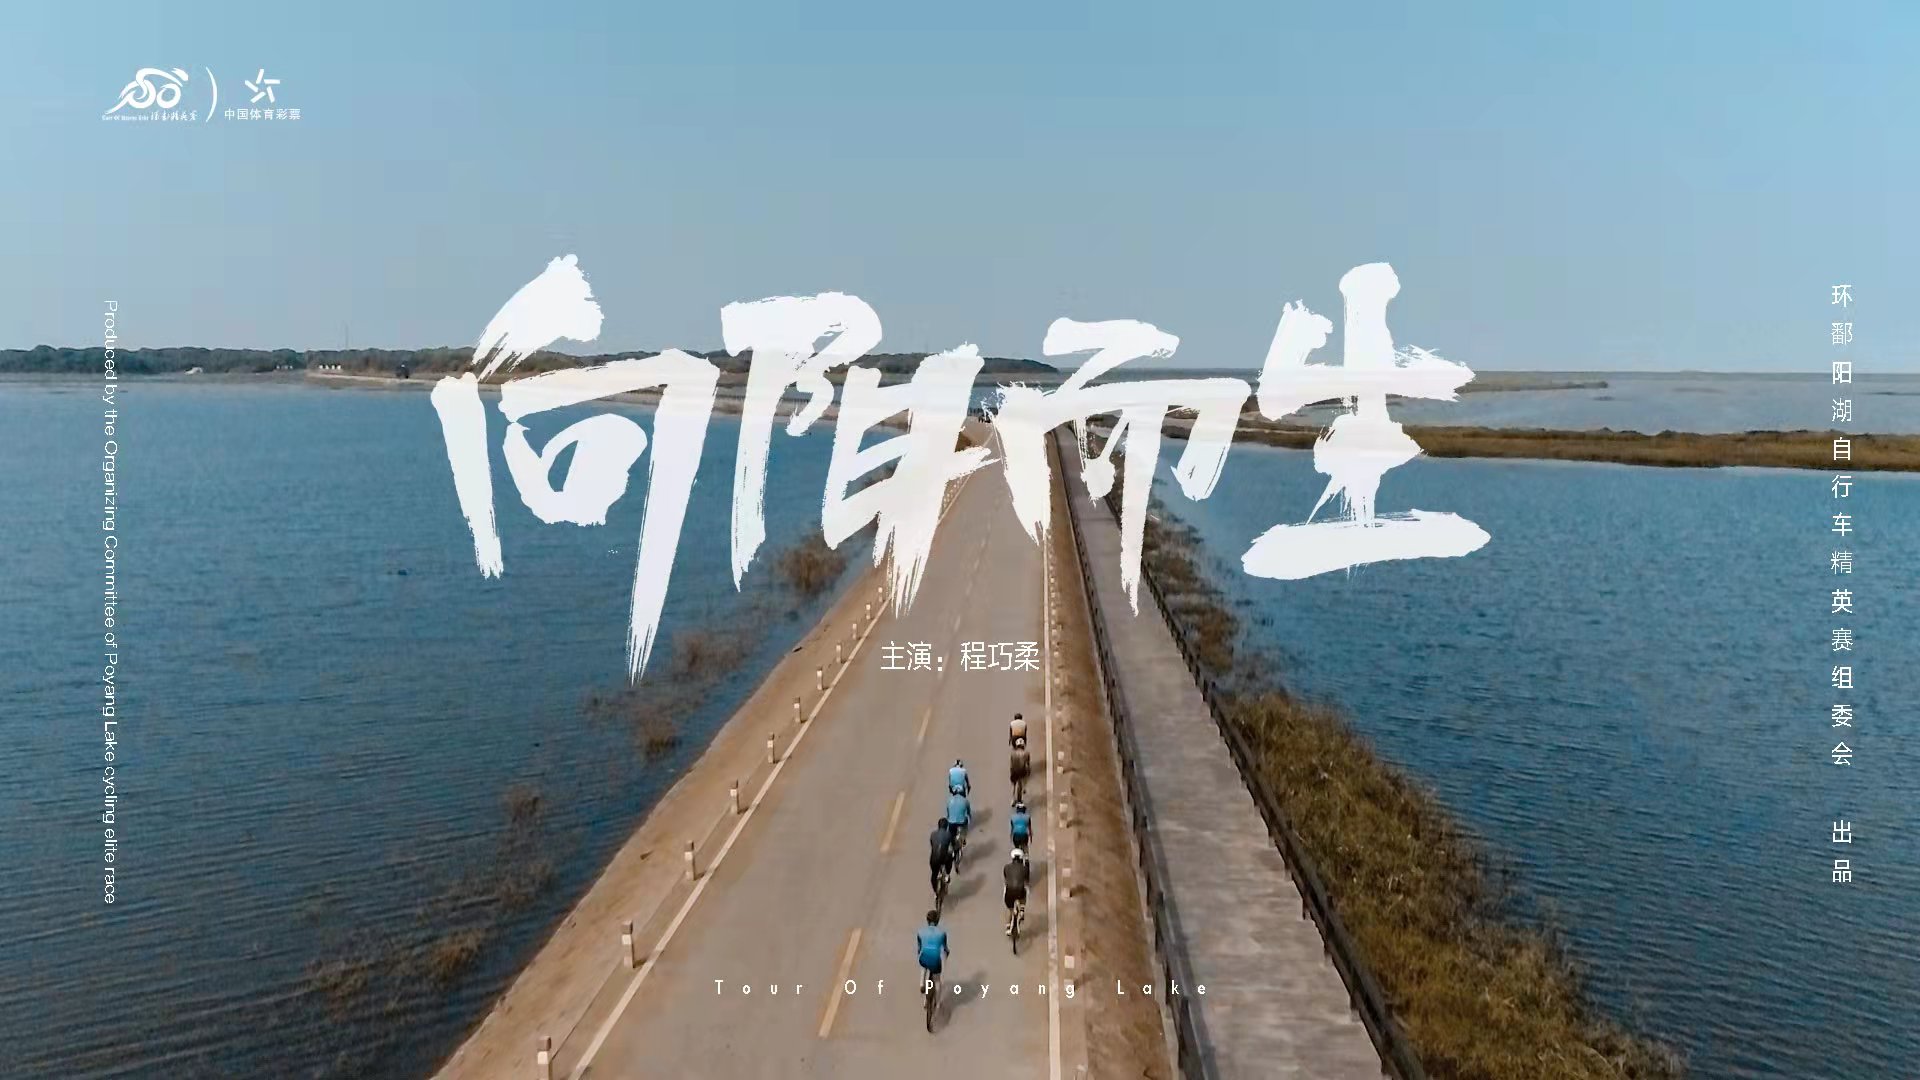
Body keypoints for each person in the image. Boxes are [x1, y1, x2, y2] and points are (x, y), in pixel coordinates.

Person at [916, 909, 950, 984]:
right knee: (937, 980)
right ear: (937, 920)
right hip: (936, 961)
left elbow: (919, 949)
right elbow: (945, 948)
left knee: (923, 964)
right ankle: (939, 987)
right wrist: (947, 953)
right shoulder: (942, 933)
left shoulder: (920, 932)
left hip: (924, 958)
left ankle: (921, 983)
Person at [1002, 848, 1030, 931]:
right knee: (1026, 890)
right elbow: (1026, 880)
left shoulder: (1006, 867)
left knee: (1010, 909)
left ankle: (1008, 923)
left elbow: (1006, 878)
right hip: (1020, 892)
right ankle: (1022, 909)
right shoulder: (1025, 868)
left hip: (1009, 893)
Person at [928, 818, 956, 896]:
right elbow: (952, 844)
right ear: (946, 827)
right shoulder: (948, 834)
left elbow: (932, 844)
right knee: (950, 857)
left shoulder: (933, 834)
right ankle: (947, 874)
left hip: (933, 858)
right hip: (943, 858)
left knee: (934, 874)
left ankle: (936, 892)